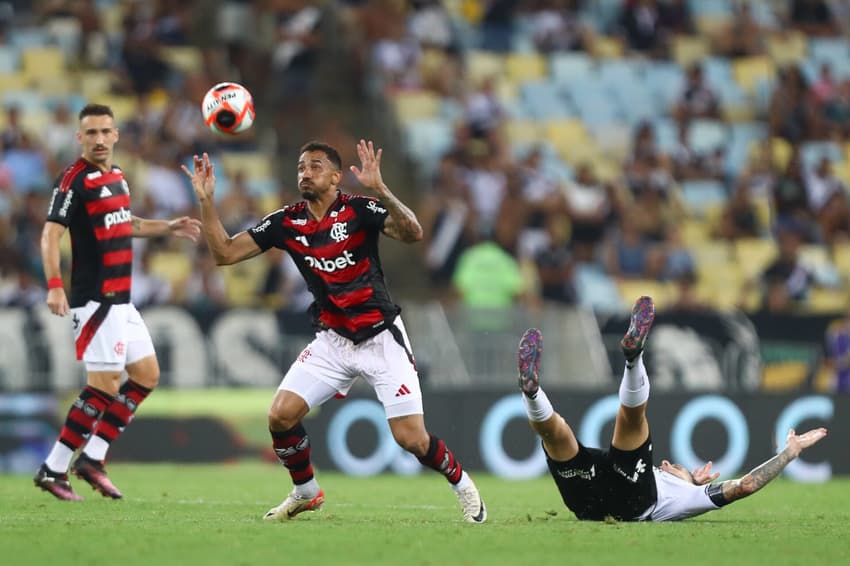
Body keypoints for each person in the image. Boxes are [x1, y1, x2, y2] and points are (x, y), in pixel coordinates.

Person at [181, 140, 487, 523]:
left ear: (336, 177)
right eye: (300, 167)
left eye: (314, 166)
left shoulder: (360, 209)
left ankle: (462, 483)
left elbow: (413, 233)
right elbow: (224, 253)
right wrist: (207, 201)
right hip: (333, 341)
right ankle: (305, 491)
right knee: (280, 416)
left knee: (411, 439)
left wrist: (381, 189)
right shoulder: (286, 221)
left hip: (380, 337)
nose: (304, 173)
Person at [516, 295, 828, 522]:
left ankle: (543, 390)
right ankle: (533, 391)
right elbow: (743, 485)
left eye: (677, 468)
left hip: (602, 502)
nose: (666, 462)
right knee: (559, 434)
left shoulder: (689, 497)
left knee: (615, 423)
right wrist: (787, 453)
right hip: (609, 501)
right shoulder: (689, 491)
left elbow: (745, 484)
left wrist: (789, 452)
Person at [35, 103, 202, 501]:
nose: (98, 139)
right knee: (104, 386)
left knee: (146, 376)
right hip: (94, 299)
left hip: (122, 299)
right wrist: (55, 284)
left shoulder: (119, 178)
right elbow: (50, 234)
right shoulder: (73, 179)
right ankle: (54, 467)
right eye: (90, 133)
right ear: (80, 138)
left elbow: (126, 223)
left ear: (115, 135)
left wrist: (168, 227)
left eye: (105, 131)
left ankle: (92, 459)